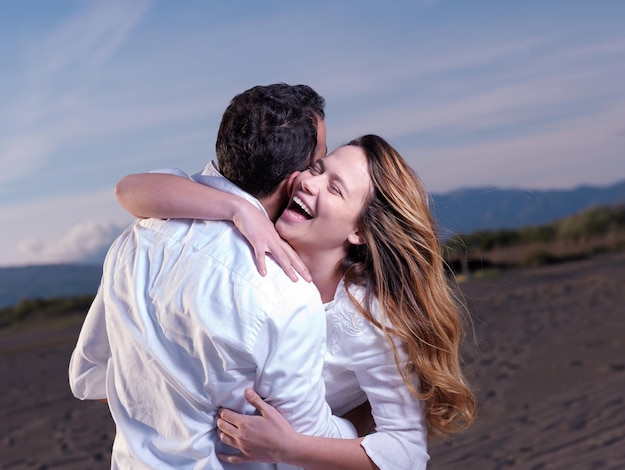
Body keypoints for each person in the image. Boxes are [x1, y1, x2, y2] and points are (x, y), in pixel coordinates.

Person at [115, 134, 477, 469]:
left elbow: (407, 452)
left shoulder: (368, 316)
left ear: (360, 231)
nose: (309, 182)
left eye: (334, 189)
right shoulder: (261, 227)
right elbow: (132, 190)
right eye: (317, 169)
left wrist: (288, 448)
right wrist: (238, 210)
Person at [68, 83, 359, 470]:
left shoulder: (140, 235)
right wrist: (366, 426)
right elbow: (305, 441)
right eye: (319, 161)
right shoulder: (284, 288)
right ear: (297, 180)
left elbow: (90, 377)